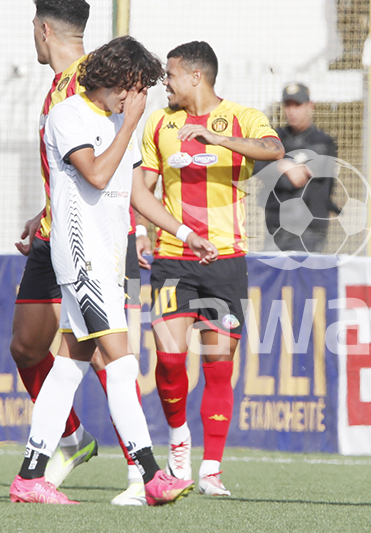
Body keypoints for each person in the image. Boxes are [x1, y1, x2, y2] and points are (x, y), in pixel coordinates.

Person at [10, 35, 218, 506]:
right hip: (80, 257)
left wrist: (185, 234)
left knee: (68, 366)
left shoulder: (117, 118)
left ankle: (29, 477)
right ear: (121, 82)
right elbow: (97, 174)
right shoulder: (70, 115)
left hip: (108, 256)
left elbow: (136, 193)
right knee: (122, 363)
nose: (139, 96)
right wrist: (130, 126)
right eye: (137, 86)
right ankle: (148, 476)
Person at [12, 0, 147, 506]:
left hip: (95, 243)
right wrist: (43, 209)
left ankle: (143, 472)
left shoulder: (86, 84)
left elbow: (105, 170)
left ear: (43, 29)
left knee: (104, 352)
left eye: (31, 28)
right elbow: (71, 168)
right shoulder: (62, 82)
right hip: (53, 235)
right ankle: (70, 440)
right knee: (28, 348)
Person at [137, 40, 284, 496]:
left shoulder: (242, 117)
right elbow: (142, 187)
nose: (166, 83)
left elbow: (273, 150)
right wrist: (142, 230)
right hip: (172, 257)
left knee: (219, 367)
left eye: (171, 75)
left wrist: (218, 139)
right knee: (168, 357)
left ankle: (211, 470)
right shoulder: (160, 122)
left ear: (196, 77)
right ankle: (179, 442)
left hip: (225, 260)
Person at [255, 82, 339, 252]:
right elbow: (255, 165)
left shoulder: (322, 142)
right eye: (288, 105)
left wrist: (273, 165)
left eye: (297, 105)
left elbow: (293, 181)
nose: (292, 111)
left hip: (308, 232)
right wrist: (284, 165)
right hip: (275, 228)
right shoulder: (275, 137)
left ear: (310, 106)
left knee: (304, 278)